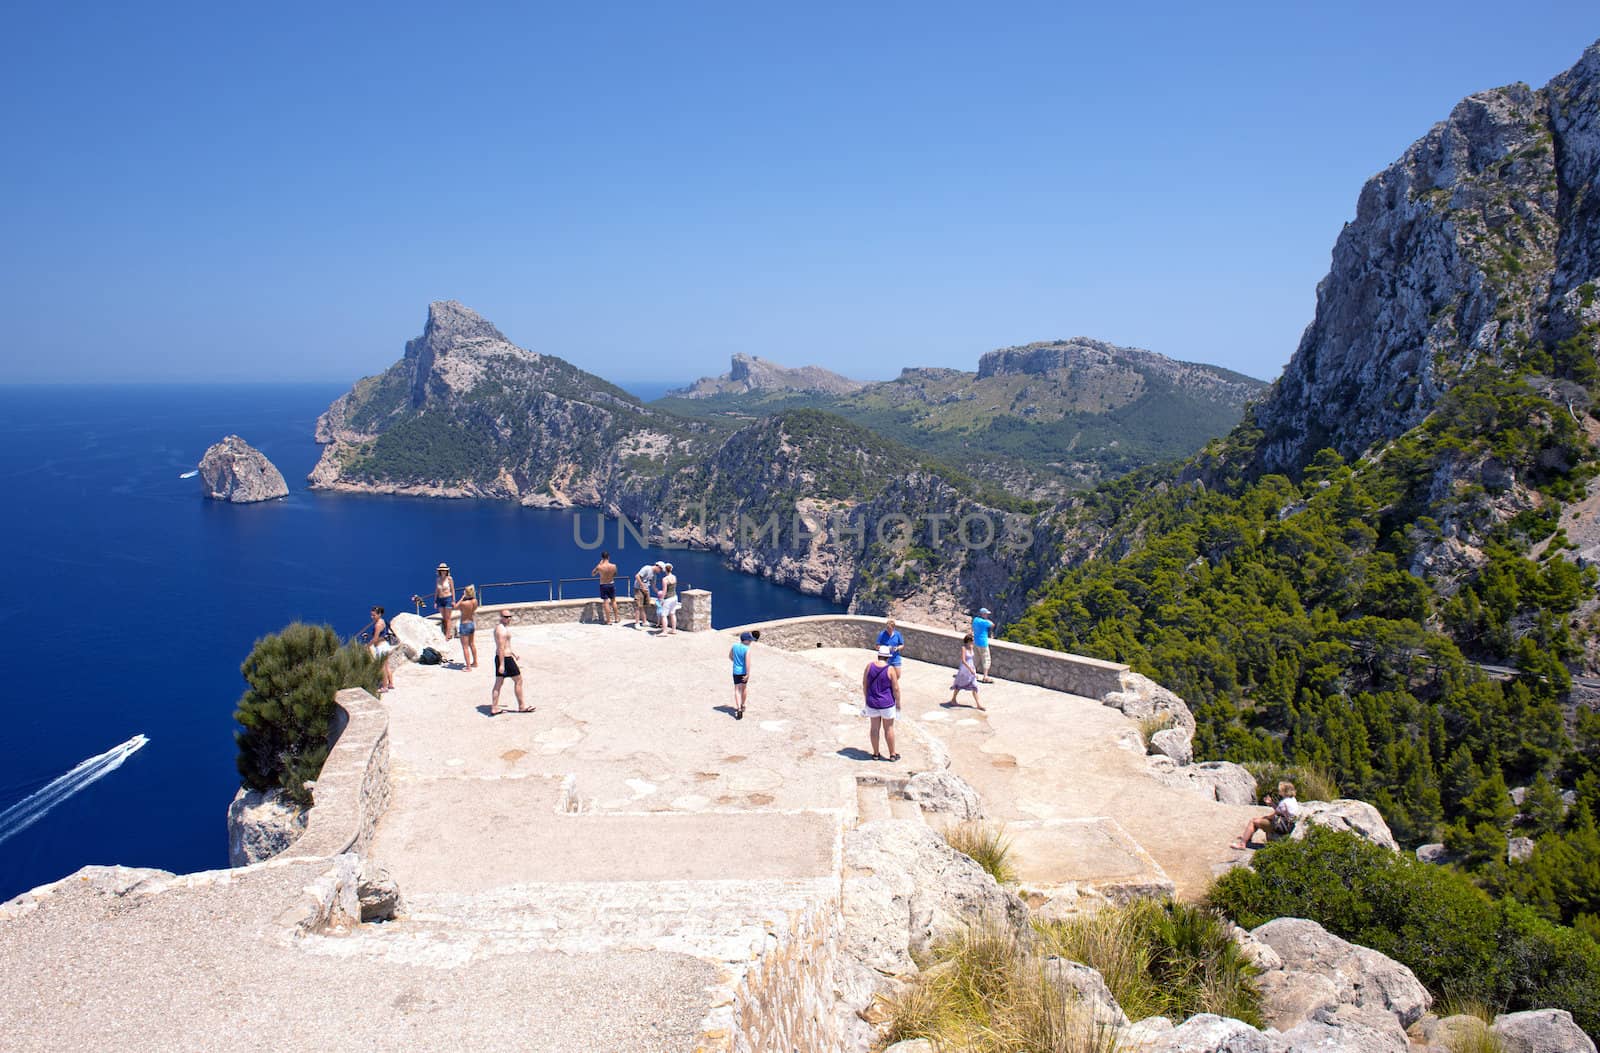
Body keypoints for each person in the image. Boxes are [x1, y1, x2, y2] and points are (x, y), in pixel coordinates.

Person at [1232, 781, 1301, 849]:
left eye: (1280, 790)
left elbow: (1274, 815)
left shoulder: (1284, 802)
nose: (1279, 791)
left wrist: (1265, 817)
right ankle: (1247, 838)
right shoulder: (1292, 799)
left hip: (1280, 826)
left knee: (1253, 821)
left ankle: (1242, 843)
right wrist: (1271, 804)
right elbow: (1281, 811)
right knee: (1262, 820)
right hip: (1288, 825)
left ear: (1284, 791)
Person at [862, 644, 902, 761]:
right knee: (888, 728)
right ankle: (892, 754)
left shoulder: (869, 666)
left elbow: (865, 684)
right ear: (888, 657)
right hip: (887, 703)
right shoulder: (890, 670)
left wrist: (866, 698)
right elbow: (895, 688)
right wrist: (898, 703)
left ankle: (875, 753)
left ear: (879, 655)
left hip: (872, 702)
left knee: (874, 728)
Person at [491, 609, 529, 715]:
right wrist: (502, 664)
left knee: (499, 683)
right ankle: (521, 706)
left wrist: (514, 654)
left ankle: (494, 707)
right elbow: (501, 648)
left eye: (509, 616)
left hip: (505, 657)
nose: (508, 619)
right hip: (505, 659)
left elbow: (506, 645)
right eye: (506, 617)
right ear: (501, 617)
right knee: (518, 680)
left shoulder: (502, 628)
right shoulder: (501, 630)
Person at [365, 605, 396, 693]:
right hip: (385, 645)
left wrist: (367, 645)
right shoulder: (382, 621)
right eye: (371, 615)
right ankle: (390, 683)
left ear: (379, 614)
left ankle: (384, 687)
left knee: (382, 668)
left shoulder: (378, 625)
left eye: (374, 615)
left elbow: (375, 639)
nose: (372, 617)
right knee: (386, 666)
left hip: (381, 647)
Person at [949, 633, 982, 709]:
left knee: (974, 685)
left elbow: (971, 659)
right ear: (968, 641)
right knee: (959, 684)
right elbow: (963, 660)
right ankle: (953, 699)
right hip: (965, 669)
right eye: (972, 641)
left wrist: (973, 668)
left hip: (971, 667)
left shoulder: (971, 647)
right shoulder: (964, 648)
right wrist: (970, 669)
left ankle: (978, 704)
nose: (973, 642)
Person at [729, 631, 754, 719]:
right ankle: (743, 705)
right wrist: (747, 674)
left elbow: (730, 656)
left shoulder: (734, 646)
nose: (751, 642)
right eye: (749, 640)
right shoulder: (747, 649)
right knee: (744, 689)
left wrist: (736, 662)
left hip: (736, 671)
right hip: (743, 672)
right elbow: (748, 663)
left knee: (737, 690)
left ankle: (738, 708)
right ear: (745, 640)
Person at [456, 585, 480, 670]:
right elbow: (475, 609)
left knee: (465, 647)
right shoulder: (475, 601)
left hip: (464, 625)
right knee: (472, 644)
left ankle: (468, 667)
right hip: (471, 623)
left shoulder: (463, 603)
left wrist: (462, 598)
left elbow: (455, 607)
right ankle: (475, 662)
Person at [592, 551, 620, 625]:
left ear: (602, 557)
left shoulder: (600, 567)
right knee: (613, 601)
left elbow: (593, 574)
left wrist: (599, 564)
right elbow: (615, 574)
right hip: (611, 584)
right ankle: (616, 618)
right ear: (608, 557)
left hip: (603, 585)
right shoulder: (613, 566)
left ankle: (608, 620)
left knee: (606, 602)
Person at [633, 561, 661, 629]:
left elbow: (653, 586)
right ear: (657, 566)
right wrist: (642, 586)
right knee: (638, 606)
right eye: (660, 569)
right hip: (638, 588)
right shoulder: (647, 568)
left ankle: (644, 622)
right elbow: (637, 576)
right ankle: (636, 623)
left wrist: (659, 593)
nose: (660, 572)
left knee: (644, 606)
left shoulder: (654, 575)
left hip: (646, 590)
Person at [971, 607, 996, 683]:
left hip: (975, 641)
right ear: (983, 614)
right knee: (986, 659)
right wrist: (986, 619)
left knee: (975, 658)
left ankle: (973, 674)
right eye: (986, 614)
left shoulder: (975, 620)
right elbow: (992, 625)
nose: (987, 616)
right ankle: (985, 676)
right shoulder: (984, 622)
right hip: (983, 642)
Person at [434, 563, 457, 641]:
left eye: (444, 570)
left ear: (446, 571)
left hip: (448, 599)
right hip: (440, 599)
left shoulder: (449, 579)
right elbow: (437, 590)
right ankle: (447, 633)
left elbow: (453, 589)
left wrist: (453, 600)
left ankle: (447, 635)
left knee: (448, 618)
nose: (443, 571)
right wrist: (435, 601)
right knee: (444, 618)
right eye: (441, 570)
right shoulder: (438, 579)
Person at [658, 562, 680, 634]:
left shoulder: (665, 579)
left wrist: (661, 600)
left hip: (668, 598)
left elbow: (664, 591)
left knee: (664, 615)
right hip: (675, 597)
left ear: (665, 570)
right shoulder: (674, 577)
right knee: (672, 614)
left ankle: (664, 632)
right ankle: (673, 630)